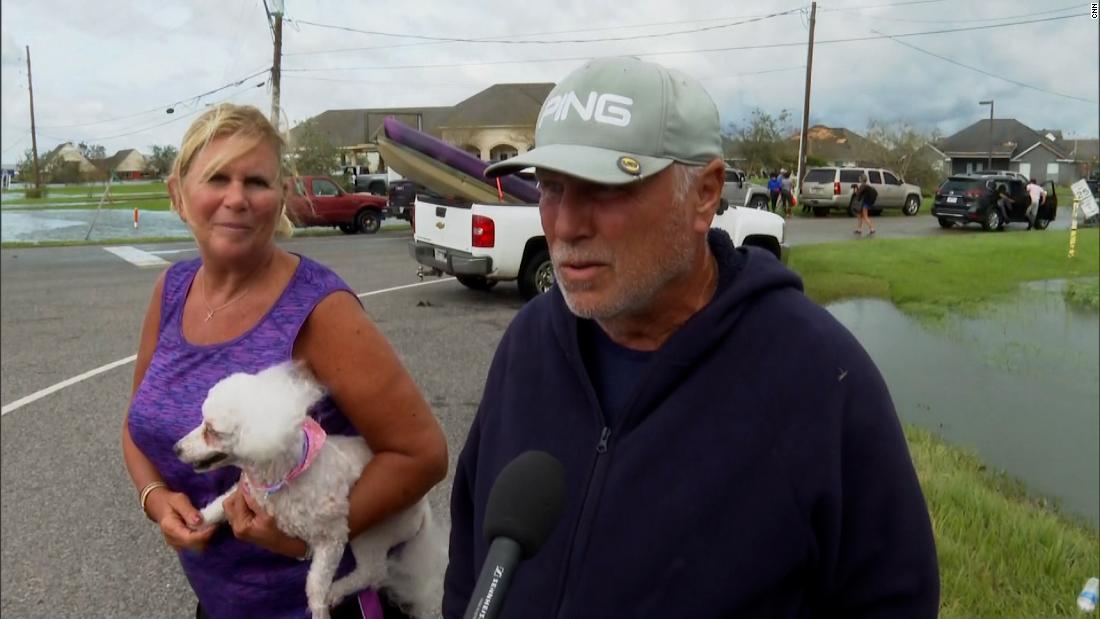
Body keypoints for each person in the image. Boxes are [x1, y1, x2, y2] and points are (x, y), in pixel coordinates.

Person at [444, 57, 939, 618]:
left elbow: (894, 599)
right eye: (553, 188)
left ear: (704, 194)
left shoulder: (818, 377)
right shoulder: (529, 343)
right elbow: (470, 559)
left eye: (605, 190)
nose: (566, 225)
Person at [121, 104, 448, 619]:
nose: (236, 198)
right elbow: (136, 426)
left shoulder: (319, 309)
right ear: (177, 195)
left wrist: (303, 540)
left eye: (256, 181)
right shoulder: (171, 291)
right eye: (216, 177)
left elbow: (421, 454)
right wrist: (156, 498)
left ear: (281, 199)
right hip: (221, 604)